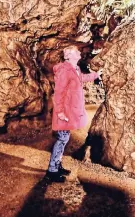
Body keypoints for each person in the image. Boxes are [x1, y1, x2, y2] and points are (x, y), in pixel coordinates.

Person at [45, 45, 100, 182]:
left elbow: (81, 78)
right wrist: (60, 112)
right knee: (62, 139)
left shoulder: (75, 69)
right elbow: (59, 92)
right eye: (76, 51)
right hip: (63, 112)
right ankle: (52, 170)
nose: (79, 52)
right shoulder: (64, 70)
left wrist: (96, 75)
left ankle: (57, 165)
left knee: (64, 139)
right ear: (69, 56)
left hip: (69, 110)